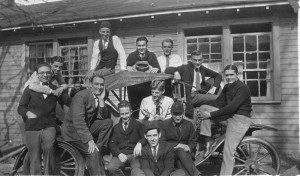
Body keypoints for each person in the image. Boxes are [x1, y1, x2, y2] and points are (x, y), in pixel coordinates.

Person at [17, 62, 72, 175]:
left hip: (49, 126)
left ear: (51, 74)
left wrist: (72, 90)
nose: (45, 75)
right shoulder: (30, 89)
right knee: (35, 156)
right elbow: (21, 107)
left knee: (49, 148)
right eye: (42, 73)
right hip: (32, 127)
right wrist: (27, 113)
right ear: (37, 75)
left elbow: (67, 101)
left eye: (47, 72)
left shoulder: (56, 89)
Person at [198, 64, 253, 175]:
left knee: (228, 152)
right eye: (226, 75)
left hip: (240, 120)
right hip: (229, 117)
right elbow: (218, 103)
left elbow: (232, 107)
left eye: (231, 75)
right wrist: (201, 112)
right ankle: (208, 140)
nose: (229, 77)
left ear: (237, 74)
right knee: (203, 108)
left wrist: (211, 114)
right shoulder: (227, 87)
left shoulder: (243, 88)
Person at [60, 75, 113, 175]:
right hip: (73, 132)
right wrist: (89, 140)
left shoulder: (96, 97)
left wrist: (101, 100)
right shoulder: (81, 96)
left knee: (108, 122)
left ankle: (99, 148)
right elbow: (78, 121)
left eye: (102, 85)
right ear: (90, 85)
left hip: (85, 128)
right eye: (96, 84)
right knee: (93, 153)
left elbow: (102, 117)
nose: (99, 87)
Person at [165, 50, 222, 119]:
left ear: (203, 60)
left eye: (199, 60)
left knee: (215, 83)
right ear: (191, 60)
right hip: (191, 97)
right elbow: (168, 70)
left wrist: (213, 88)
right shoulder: (185, 68)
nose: (197, 62)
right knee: (219, 98)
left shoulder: (202, 69)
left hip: (201, 93)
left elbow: (218, 75)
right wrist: (176, 72)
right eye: (195, 60)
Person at [161, 102, 200, 176]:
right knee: (179, 150)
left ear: (183, 113)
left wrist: (189, 147)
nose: (178, 117)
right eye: (175, 114)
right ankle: (196, 174)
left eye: (180, 114)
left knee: (181, 162)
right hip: (170, 154)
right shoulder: (164, 124)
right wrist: (178, 145)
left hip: (186, 155)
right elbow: (162, 142)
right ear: (171, 114)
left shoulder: (189, 124)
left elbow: (193, 141)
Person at [106, 100, 145, 176]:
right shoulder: (116, 128)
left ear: (131, 112)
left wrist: (140, 143)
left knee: (137, 171)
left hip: (135, 155)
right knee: (111, 167)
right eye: (122, 114)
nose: (124, 116)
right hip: (121, 155)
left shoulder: (138, 125)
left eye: (126, 113)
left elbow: (146, 138)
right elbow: (112, 144)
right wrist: (119, 154)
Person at [127, 36, 161, 118]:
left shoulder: (152, 55)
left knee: (147, 107)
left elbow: (158, 69)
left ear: (146, 45)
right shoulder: (131, 56)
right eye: (139, 46)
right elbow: (127, 68)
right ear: (136, 46)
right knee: (135, 109)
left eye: (143, 45)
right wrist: (129, 68)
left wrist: (155, 68)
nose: (141, 48)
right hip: (134, 87)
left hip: (147, 86)